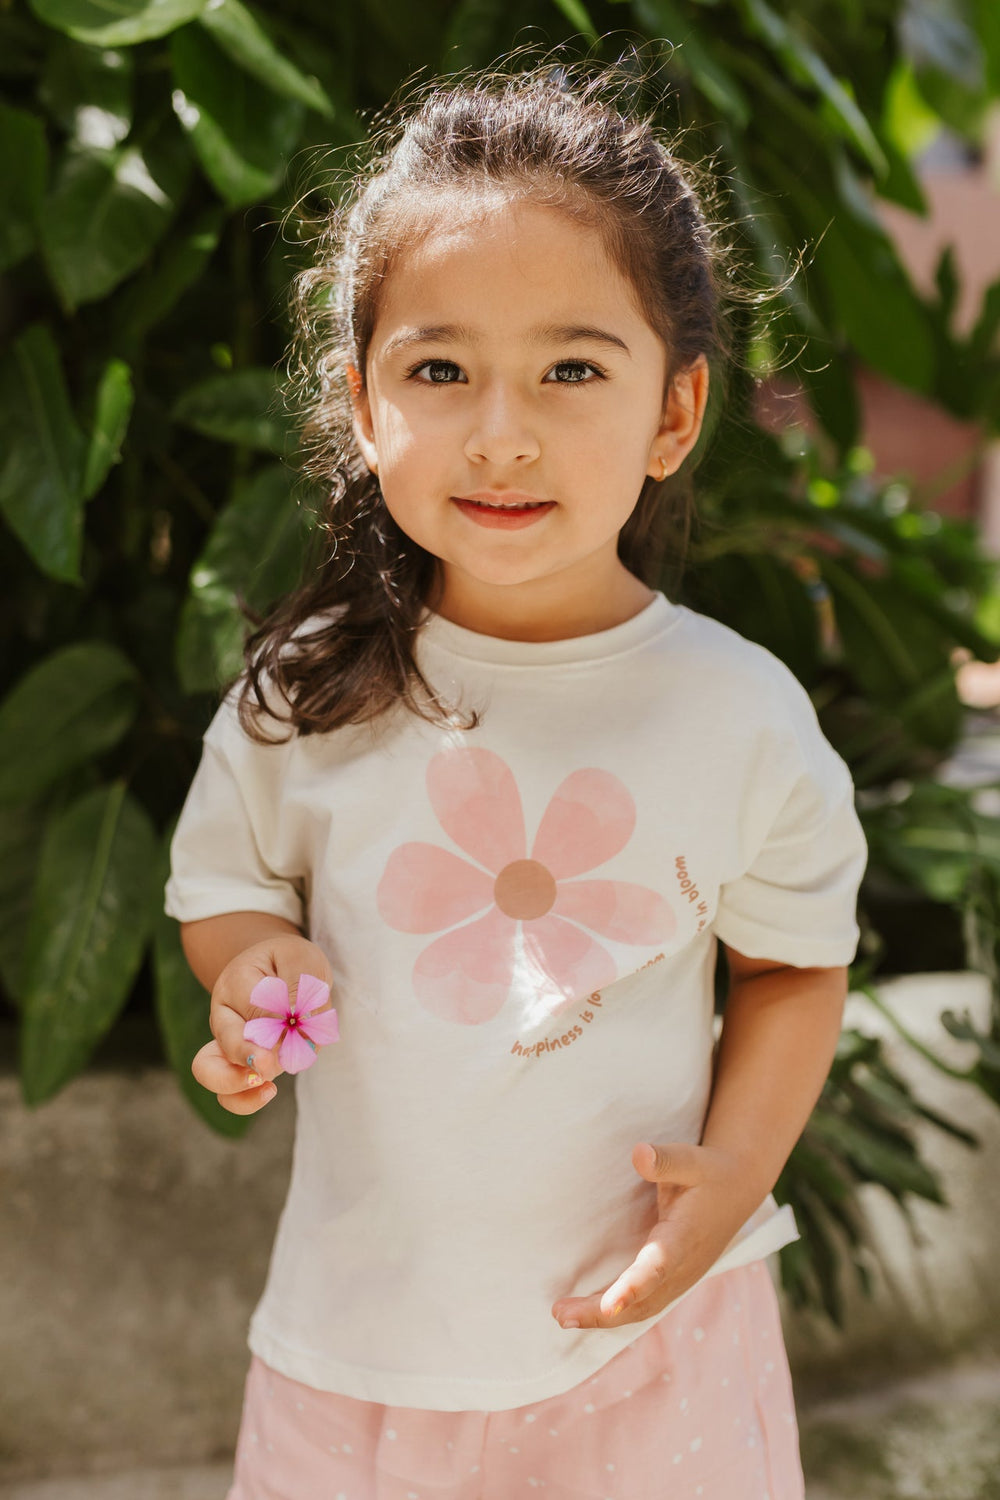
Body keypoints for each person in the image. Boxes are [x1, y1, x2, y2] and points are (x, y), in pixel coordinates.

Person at [165, 57, 868, 1500]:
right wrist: (248, 973)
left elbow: (794, 967)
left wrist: (738, 1171)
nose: (500, 432)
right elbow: (226, 892)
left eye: (571, 369)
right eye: (439, 370)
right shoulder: (309, 697)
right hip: (358, 1355)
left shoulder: (737, 716)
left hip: (651, 1344)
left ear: (674, 412)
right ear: (363, 401)